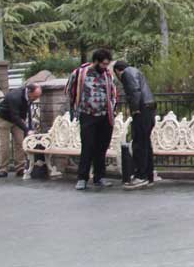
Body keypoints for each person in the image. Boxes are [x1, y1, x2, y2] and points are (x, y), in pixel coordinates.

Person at [65, 49, 119, 191]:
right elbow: (70, 90)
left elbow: (113, 92)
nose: (105, 67)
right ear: (95, 61)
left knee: (101, 147)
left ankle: (99, 177)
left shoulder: (107, 74)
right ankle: (82, 178)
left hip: (105, 115)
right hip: (87, 114)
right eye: (103, 64)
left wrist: (112, 108)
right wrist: (75, 106)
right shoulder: (80, 73)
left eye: (107, 64)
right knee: (87, 146)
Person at [113, 60, 156, 190]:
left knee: (139, 143)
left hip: (142, 110)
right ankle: (148, 176)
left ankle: (140, 176)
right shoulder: (136, 71)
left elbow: (134, 91)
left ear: (117, 71)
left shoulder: (126, 73)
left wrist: (135, 108)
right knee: (146, 143)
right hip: (149, 108)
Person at [0, 83, 42, 178]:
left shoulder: (30, 96)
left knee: (20, 143)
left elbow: (25, 111)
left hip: (17, 119)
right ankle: (3, 169)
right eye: (36, 96)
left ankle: (20, 168)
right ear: (29, 91)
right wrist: (27, 130)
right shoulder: (15, 97)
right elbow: (14, 116)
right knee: (4, 144)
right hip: (4, 118)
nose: (36, 98)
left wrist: (27, 125)